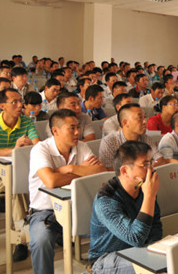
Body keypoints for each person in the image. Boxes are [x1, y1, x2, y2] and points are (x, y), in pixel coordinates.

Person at [28, 109, 105, 274]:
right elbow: (51, 181)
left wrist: (70, 169)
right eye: (72, 128)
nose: (78, 132)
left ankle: (102, 268)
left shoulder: (81, 146)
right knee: (41, 241)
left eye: (78, 127)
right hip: (46, 212)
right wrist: (81, 171)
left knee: (111, 226)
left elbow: (99, 170)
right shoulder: (40, 149)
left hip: (79, 209)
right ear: (55, 131)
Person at [0, 88, 41, 261]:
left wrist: (30, 145)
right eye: (15, 102)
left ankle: (32, 230)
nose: (20, 105)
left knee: (23, 179)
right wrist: (13, 150)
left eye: (21, 101)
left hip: (20, 173)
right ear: (2, 106)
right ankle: (22, 236)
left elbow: (39, 146)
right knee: (14, 180)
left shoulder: (26, 122)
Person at [89, 141, 163, 273]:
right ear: (125, 171)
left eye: (151, 163)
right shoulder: (106, 201)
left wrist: (154, 248)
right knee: (155, 266)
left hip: (138, 251)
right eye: (145, 165)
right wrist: (149, 197)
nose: (151, 170)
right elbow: (135, 238)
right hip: (105, 259)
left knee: (172, 258)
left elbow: (155, 224)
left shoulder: (144, 188)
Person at [99, 103, 161, 168]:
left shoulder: (145, 138)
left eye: (144, 117)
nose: (144, 121)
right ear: (125, 122)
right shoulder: (109, 142)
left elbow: (159, 159)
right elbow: (108, 169)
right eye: (140, 118)